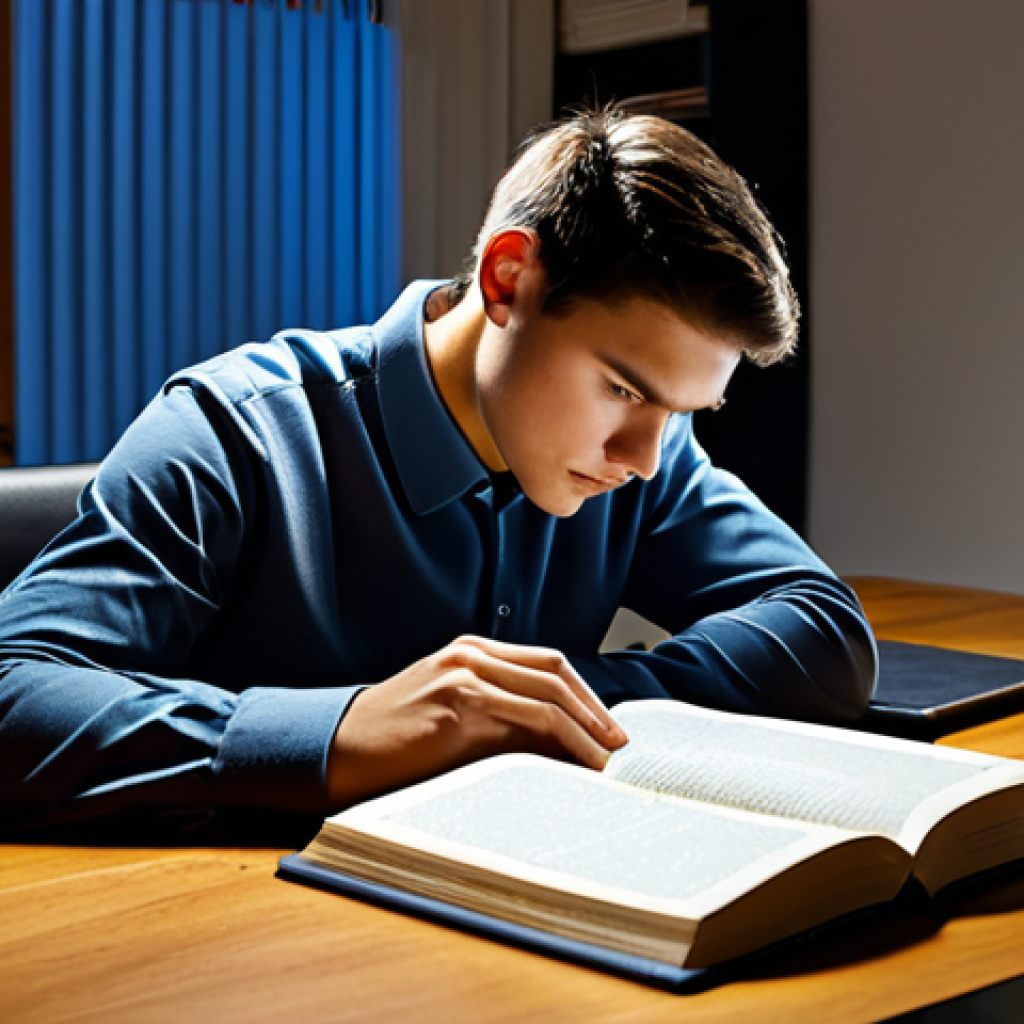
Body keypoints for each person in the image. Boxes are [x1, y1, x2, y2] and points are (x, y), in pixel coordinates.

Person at [0, 110, 876, 836]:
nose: (643, 459)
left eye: (682, 413)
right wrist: (337, 735)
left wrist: (549, 708)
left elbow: (824, 632)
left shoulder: (644, 454)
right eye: (621, 389)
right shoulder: (235, 432)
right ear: (506, 281)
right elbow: (14, 687)